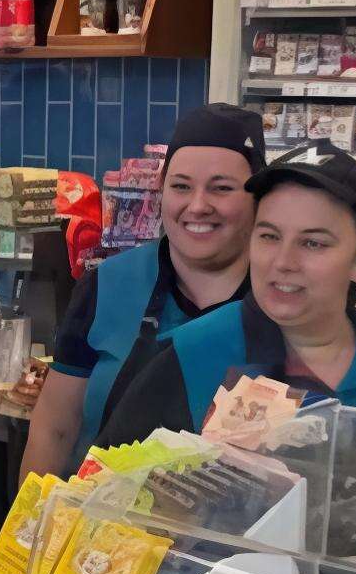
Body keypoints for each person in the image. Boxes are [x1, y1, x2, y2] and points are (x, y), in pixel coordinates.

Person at [100, 139, 356, 444]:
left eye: (313, 243)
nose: (283, 262)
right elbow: (104, 483)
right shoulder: (194, 353)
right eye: (269, 236)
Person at [19, 104, 266, 479]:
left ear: (258, 200)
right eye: (181, 186)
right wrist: (29, 533)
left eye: (222, 189)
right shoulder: (109, 285)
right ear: (161, 193)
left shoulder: (278, 303)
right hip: (95, 527)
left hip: (225, 534)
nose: (197, 206)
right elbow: (54, 428)